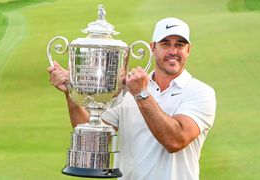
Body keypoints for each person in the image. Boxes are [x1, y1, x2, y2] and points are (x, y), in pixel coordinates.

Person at [47, 17, 216, 180]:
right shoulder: (127, 88)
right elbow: (94, 136)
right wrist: (71, 93)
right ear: (153, 48)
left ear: (188, 50)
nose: (173, 51)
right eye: (165, 44)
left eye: (180, 45)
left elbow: (174, 141)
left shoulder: (200, 92)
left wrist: (141, 94)